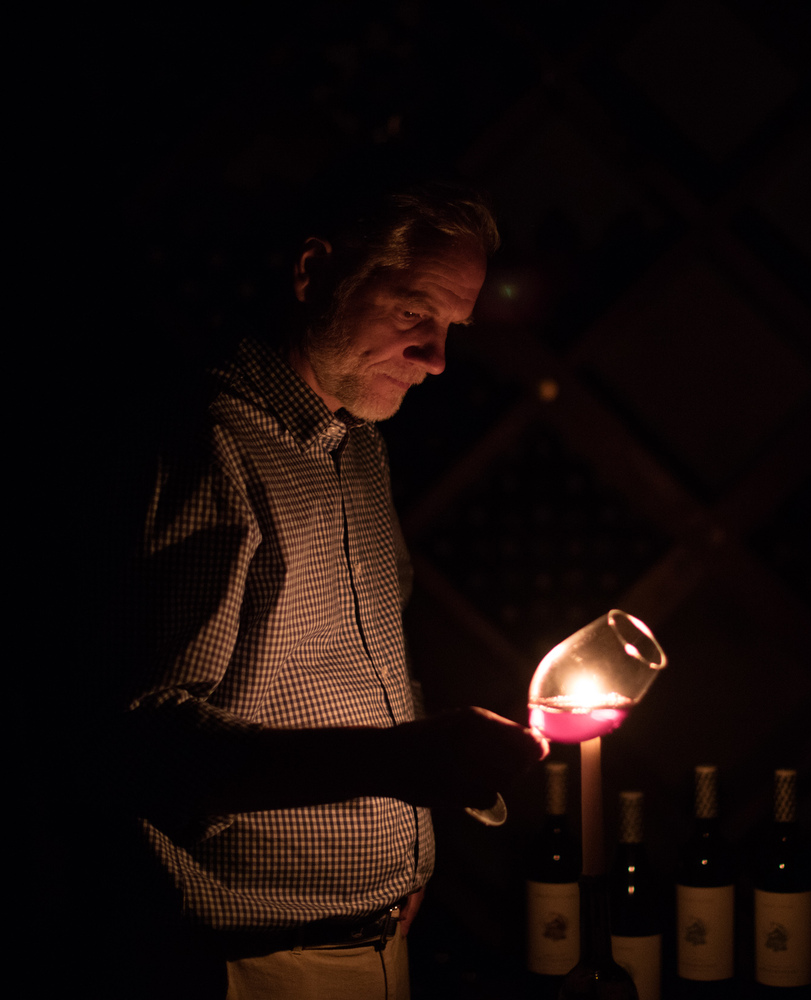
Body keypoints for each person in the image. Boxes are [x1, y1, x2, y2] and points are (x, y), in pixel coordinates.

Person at [118, 184, 547, 999]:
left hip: (376, 943)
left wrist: (401, 854)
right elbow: (151, 745)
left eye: (452, 329)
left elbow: (367, 672)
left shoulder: (359, 448)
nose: (439, 359)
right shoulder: (210, 444)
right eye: (415, 313)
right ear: (316, 272)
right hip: (255, 964)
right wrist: (402, 762)